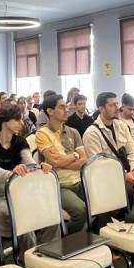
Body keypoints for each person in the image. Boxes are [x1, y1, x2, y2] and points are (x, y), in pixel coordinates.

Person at [0, 104, 52, 238]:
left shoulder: (20, 141)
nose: (22, 123)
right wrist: (14, 173)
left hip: (18, 191)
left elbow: (30, 163)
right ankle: (29, 251)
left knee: (51, 212)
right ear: (4, 120)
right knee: (23, 219)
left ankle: (42, 247)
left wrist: (40, 168)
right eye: (18, 119)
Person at [34, 94, 88, 233]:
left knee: (105, 201)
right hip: (60, 184)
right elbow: (55, 161)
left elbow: (84, 160)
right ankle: (68, 240)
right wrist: (74, 156)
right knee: (80, 211)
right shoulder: (42, 133)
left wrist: (64, 160)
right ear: (50, 111)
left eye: (66, 107)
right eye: (62, 107)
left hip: (80, 180)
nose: (66, 110)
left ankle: (93, 235)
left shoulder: (73, 132)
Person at [83, 92, 134, 192]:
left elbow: (132, 150)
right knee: (128, 192)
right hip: (108, 177)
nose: (117, 108)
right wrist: (123, 176)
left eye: (117, 104)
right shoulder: (92, 133)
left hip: (128, 170)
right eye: (112, 105)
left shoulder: (121, 125)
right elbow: (98, 165)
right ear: (101, 108)